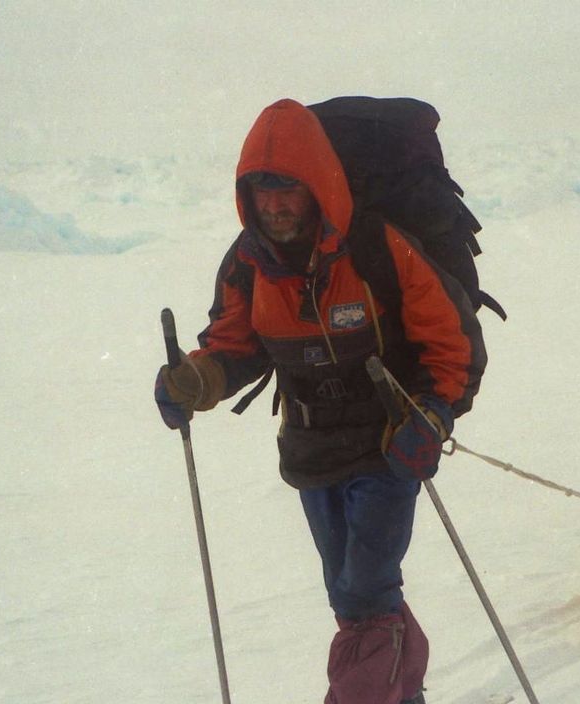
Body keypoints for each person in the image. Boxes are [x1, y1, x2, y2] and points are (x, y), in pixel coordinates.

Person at [154, 98, 486, 704]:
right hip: (309, 449)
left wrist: (432, 415)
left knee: (364, 598)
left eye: (288, 189)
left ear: (318, 186)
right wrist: (193, 381)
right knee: (354, 596)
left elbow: (451, 343)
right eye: (262, 192)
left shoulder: (378, 249)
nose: (275, 205)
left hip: (386, 447)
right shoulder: (249, 262)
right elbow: (234, 345)